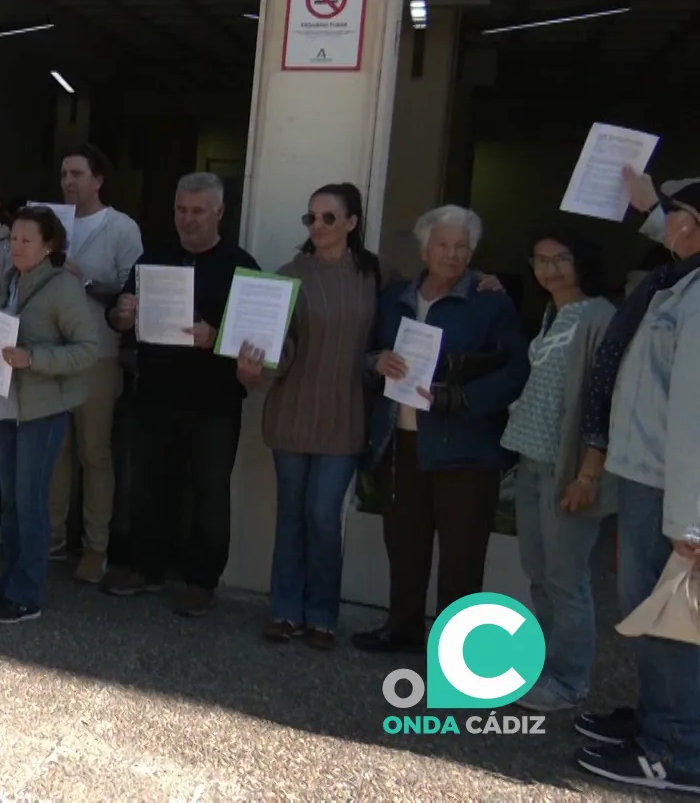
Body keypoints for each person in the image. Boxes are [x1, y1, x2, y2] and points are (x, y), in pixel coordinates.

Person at [571, 181, 700, 794]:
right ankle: (658, 723)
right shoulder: (680, 279)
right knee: (648, 612)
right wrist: (643, 195)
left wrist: (693, 520)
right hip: (649, 475)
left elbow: (696, 417)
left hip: (672, 487)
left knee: (673, 617)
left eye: (670, 216)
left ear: (692, 224)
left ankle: (680, 751)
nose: (659, 225)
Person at [355, 205, 530, 654]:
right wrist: (376, 363)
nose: (452, 255)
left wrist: (462, 398)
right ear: (425, 248)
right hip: (403, 439)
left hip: (465, 446)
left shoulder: (491, 300)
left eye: (462, 247)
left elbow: (516, 369)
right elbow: (368, 355)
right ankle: (403, 627)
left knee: (462, 554)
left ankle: (457, 650)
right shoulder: (397, 296)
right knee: (405, 543)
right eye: (443, 245)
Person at [105, 173, 259, 617]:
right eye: (181, 210)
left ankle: (200, 582)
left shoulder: (240, 265)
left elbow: (258, 339)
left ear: (219, 213)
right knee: (148, 487)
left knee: (209, 495)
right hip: (154, 393)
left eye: (197, 211)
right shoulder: (153, 259)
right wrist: (120, 313)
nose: (188, 220)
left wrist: (217, 336)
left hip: (214, 401)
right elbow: (120, 321)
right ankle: (146, 568)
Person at [237, 184, 383, 650]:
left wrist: (486, 280)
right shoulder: (287, 275)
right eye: (311, 218)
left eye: (328, 218)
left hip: (345, 415)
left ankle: (322, 614)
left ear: (352, 223)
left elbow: (422, 298)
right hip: (292, 412)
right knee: (292, 516)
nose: (317, 226)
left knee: (323, 516)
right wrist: (253, 367)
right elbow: (272, 348)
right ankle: (285, 611)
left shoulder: (375, 274)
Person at [494, 231, 614, 713]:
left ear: (582, 260)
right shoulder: (551, 314)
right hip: (531, 458)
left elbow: (603, 405)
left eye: (561, 258)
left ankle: (570, 681)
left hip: (568, 468)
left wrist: (588, 473)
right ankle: (543, 672)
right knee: (539, 574)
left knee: (567, 578)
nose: (549, 268)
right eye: (540, 259)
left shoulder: (601, 317)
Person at [0, 208, 101, 624]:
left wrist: (34, 358)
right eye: (14, 240)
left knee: (30, 502)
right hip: (7, 401)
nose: (17, 247)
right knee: (10, 501)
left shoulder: (63, 288)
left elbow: (87, 349)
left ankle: (28, 593)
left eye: (27, 240)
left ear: (50, 246)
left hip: (43, 407)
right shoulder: (11, 280)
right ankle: (12, 580)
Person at [49, 143, 143, 583]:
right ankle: (51, 539)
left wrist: (82, 278)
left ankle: (96, 546)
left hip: (98, 353)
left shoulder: (121, 228)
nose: (69, 181)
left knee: (94, 451)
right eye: (65, 173)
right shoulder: (51, 223)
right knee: (55, 450)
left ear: (98, 179)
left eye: (78, 174)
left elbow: (131, 292)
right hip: (52, 350)